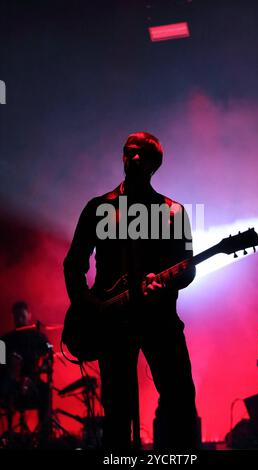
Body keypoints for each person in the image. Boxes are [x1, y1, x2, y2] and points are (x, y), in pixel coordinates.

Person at [63, 132, 199, 450]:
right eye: (129, 152)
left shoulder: (173, 212)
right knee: (117, 410)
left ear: (155, 164)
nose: (134, 158)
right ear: (123, 157)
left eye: (142, 154)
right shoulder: (99, 208)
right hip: (112, 324)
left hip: (160, 318)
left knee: (180, 398)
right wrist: (90, 306)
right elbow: (73, 266)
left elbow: (188, 268)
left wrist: (166, 282)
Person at [0, 301, 51, 441]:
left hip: (32, 382)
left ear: (29, 315)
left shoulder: (37, 336)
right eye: (17, 316)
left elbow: (48, 352)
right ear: (13, 317)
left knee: (45, 390)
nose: (20, 319)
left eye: (22, 315)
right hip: (11, 384)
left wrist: (43, 365)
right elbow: (0, 364)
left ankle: (43, 434)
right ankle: (7, 435)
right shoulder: (4, 340)